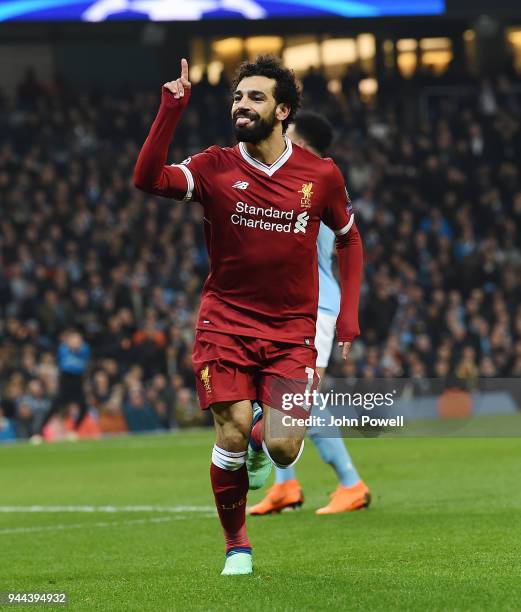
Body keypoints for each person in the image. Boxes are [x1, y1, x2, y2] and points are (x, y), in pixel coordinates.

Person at [134, 56, 363, 575]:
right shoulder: (214, 165)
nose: (242, 105)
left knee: (282, 449)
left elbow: (350, 240)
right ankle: (237, 545)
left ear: (282, 110)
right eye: (238, 97)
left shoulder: (320, 175)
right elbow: (147, 179)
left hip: (290, 331)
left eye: (255, 97)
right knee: (231, 431)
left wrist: (347, 316)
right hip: (226, 323)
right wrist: (171, 111)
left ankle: (266, 440)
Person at [249, 112, 370, 516]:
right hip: (290, 307)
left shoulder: (317, 180)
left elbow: (348, 241)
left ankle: (351, 483)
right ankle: (287, 485)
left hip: (315, 307)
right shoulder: (300, 178)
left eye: (290, 135)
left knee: (299, 401)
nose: (282, 140)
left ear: (304, 144)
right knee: (280, 398)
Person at [39, 330, 91, 434]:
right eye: (74, 340)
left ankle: (74, 430)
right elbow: (66, 366)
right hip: (66, 382)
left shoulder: (85, 349)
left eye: (78, 340)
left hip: (78, 382)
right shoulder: (63, 349)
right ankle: (38, 432)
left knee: (84, 408)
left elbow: (83, 363)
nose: (76, 342)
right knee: (54, 408)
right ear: (69, 341)